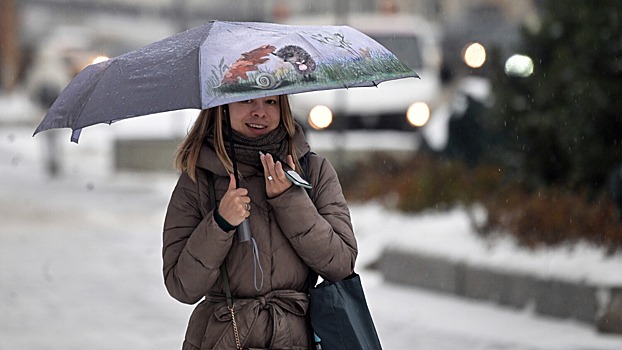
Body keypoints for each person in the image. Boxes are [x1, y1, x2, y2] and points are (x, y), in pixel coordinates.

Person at [162, 94, 357, 350]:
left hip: (298, 339)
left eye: (271, 102)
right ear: (223, 108)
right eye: (246, 100)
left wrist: (289, 200)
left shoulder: (314, 171)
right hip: (222, 339)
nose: (260, 112)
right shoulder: (198, 180)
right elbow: (182, 286)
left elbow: (341, 265)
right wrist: (220, 223)